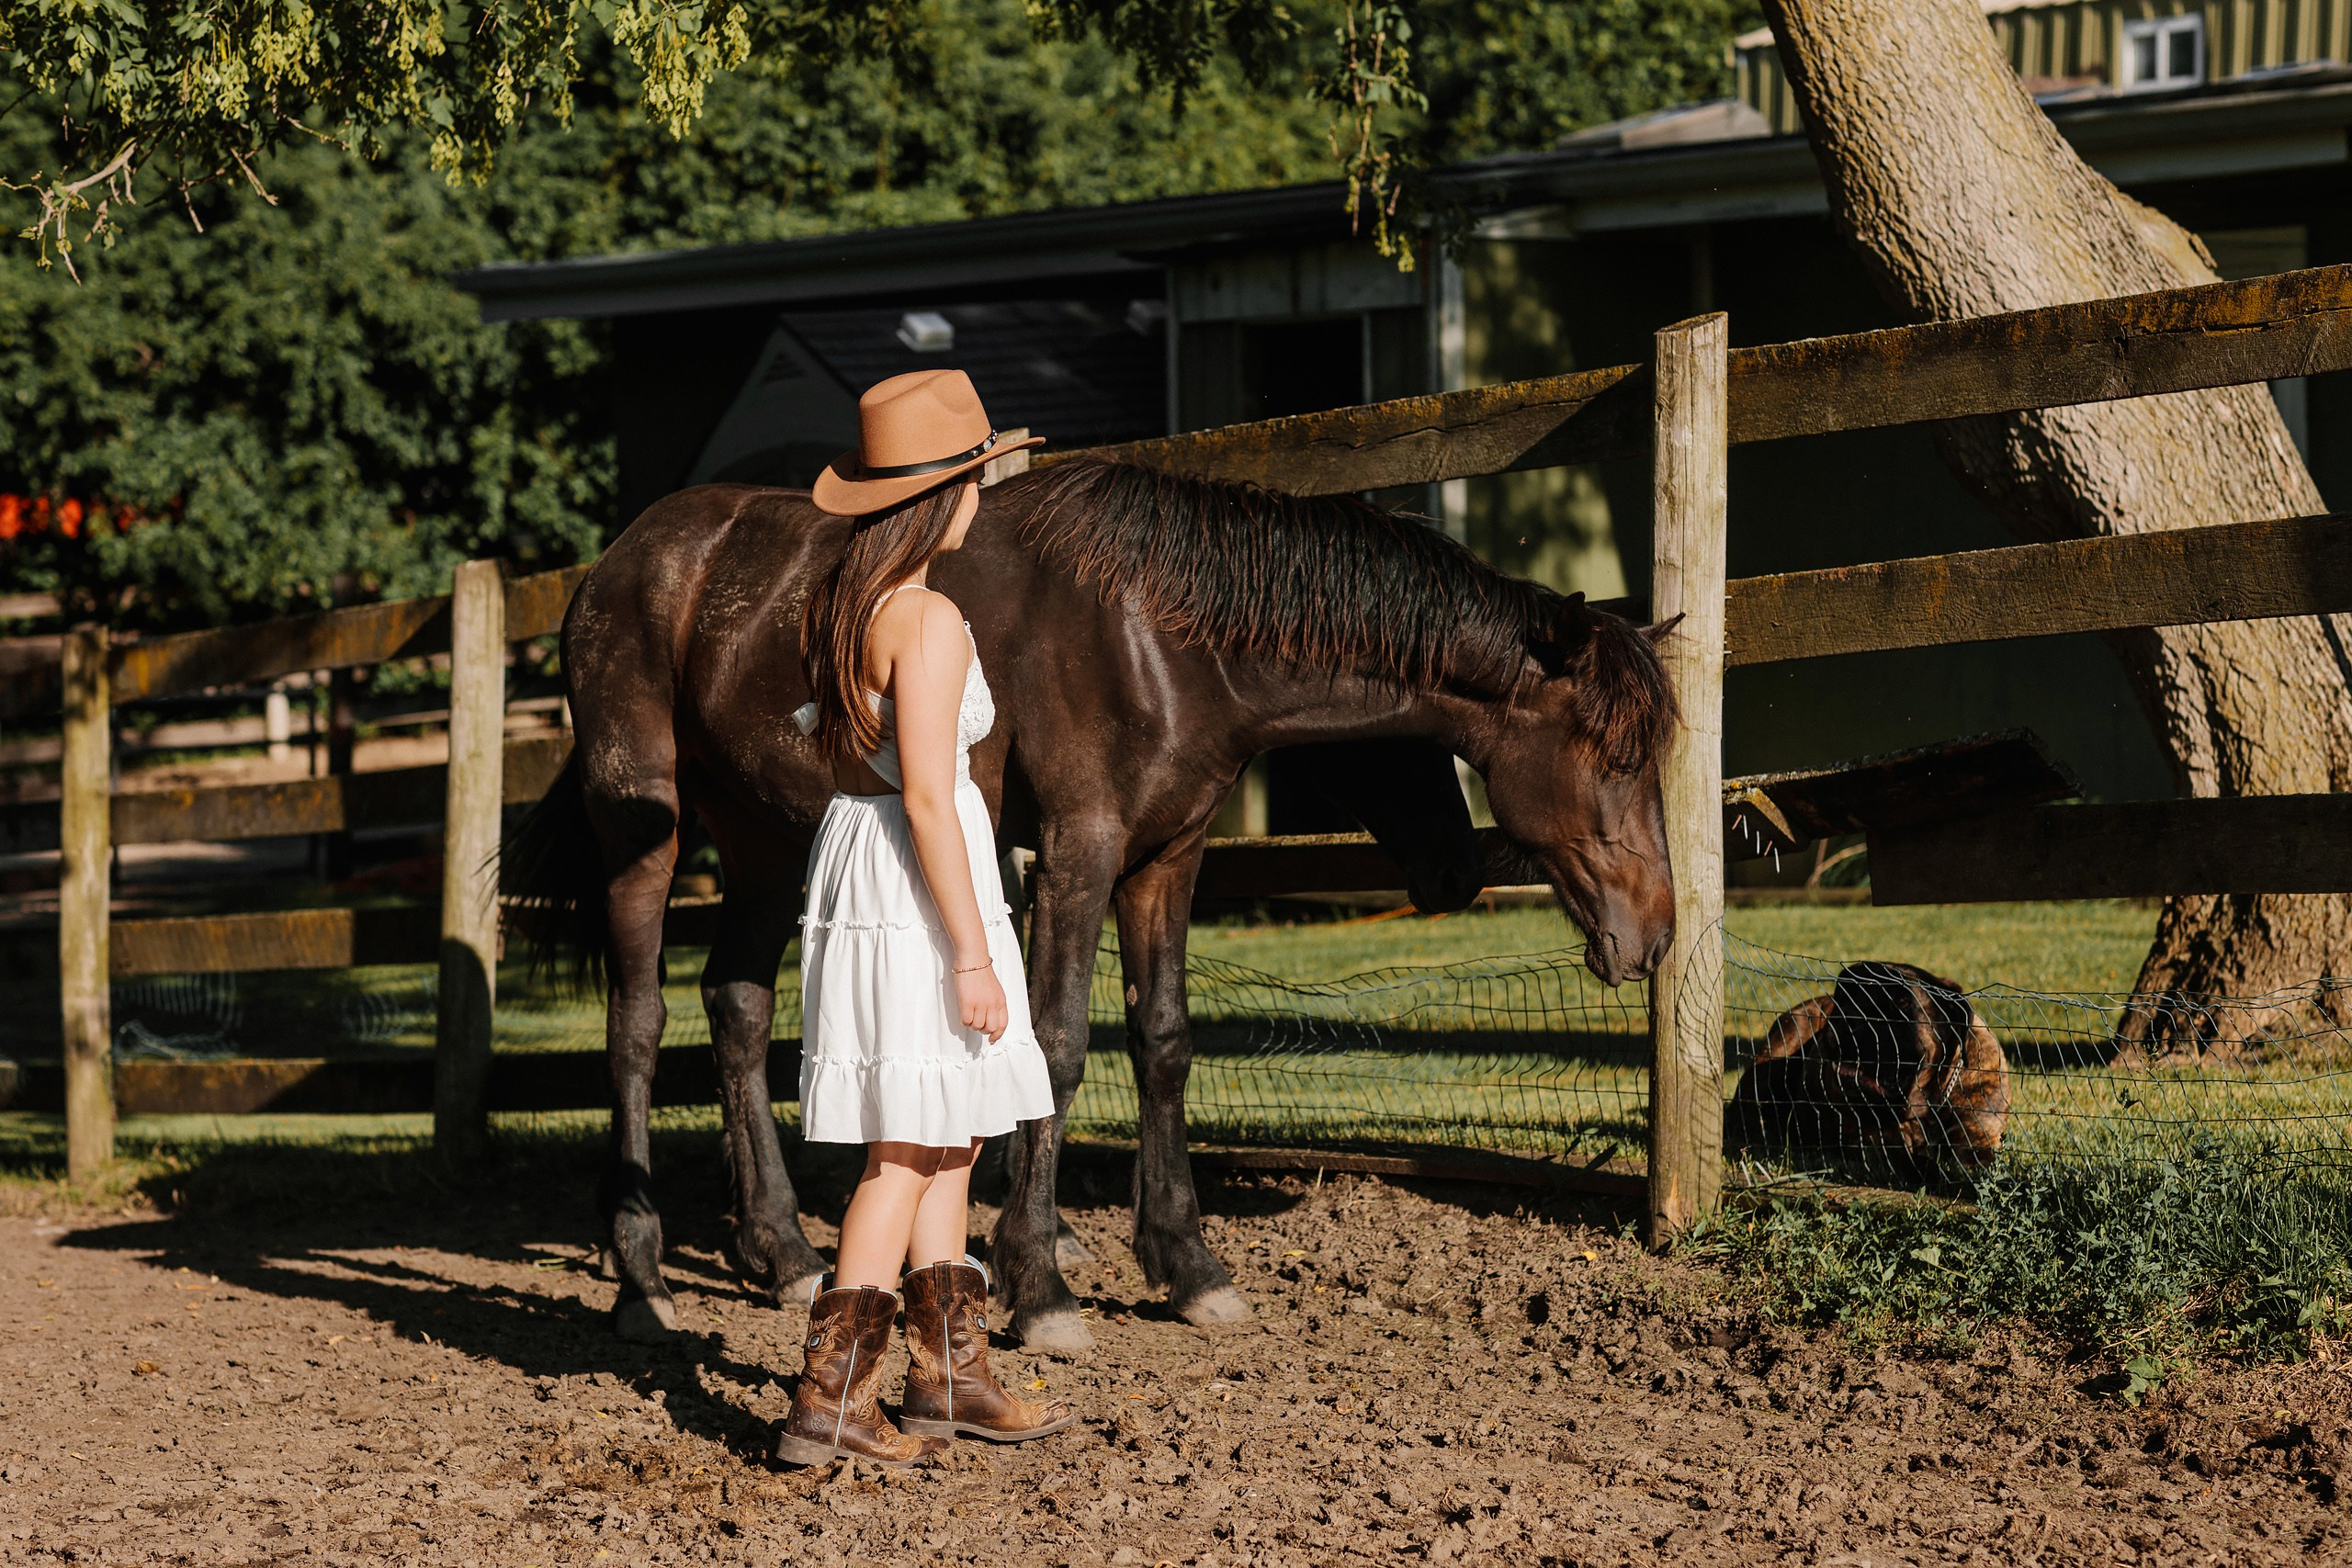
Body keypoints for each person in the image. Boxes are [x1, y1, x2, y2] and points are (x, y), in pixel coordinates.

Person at [775, 369, 1073, 1470]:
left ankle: (949, 1377)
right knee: (905, 1149)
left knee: (952, 1128)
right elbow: (932, 798)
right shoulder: (931, 618)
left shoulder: (843, 607)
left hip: (866, 860)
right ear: (942, 495)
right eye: (975, 477)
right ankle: (831, 1400)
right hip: (918, 879)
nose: (982, 494)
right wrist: (971, 955)